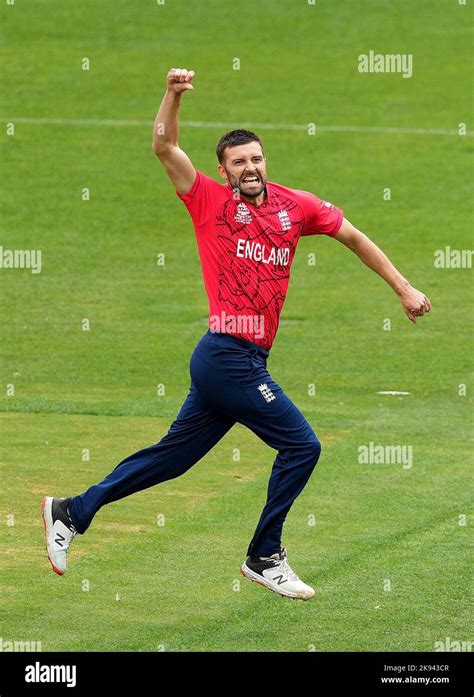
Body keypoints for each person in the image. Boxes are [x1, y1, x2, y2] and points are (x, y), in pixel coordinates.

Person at [42, 68, 431, 600]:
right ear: (223, 171)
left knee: (172, 458)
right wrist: (173, 94)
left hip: (241, 361)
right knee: (302, 445)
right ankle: (264, 554)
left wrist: (403, 288)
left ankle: (71, 511)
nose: (250, 168)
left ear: (264, 161)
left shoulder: (297, 207)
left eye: (256, 158)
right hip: (227, 355)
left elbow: (354, 237)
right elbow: (164, 146)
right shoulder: (208, 201)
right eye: (238, 162)